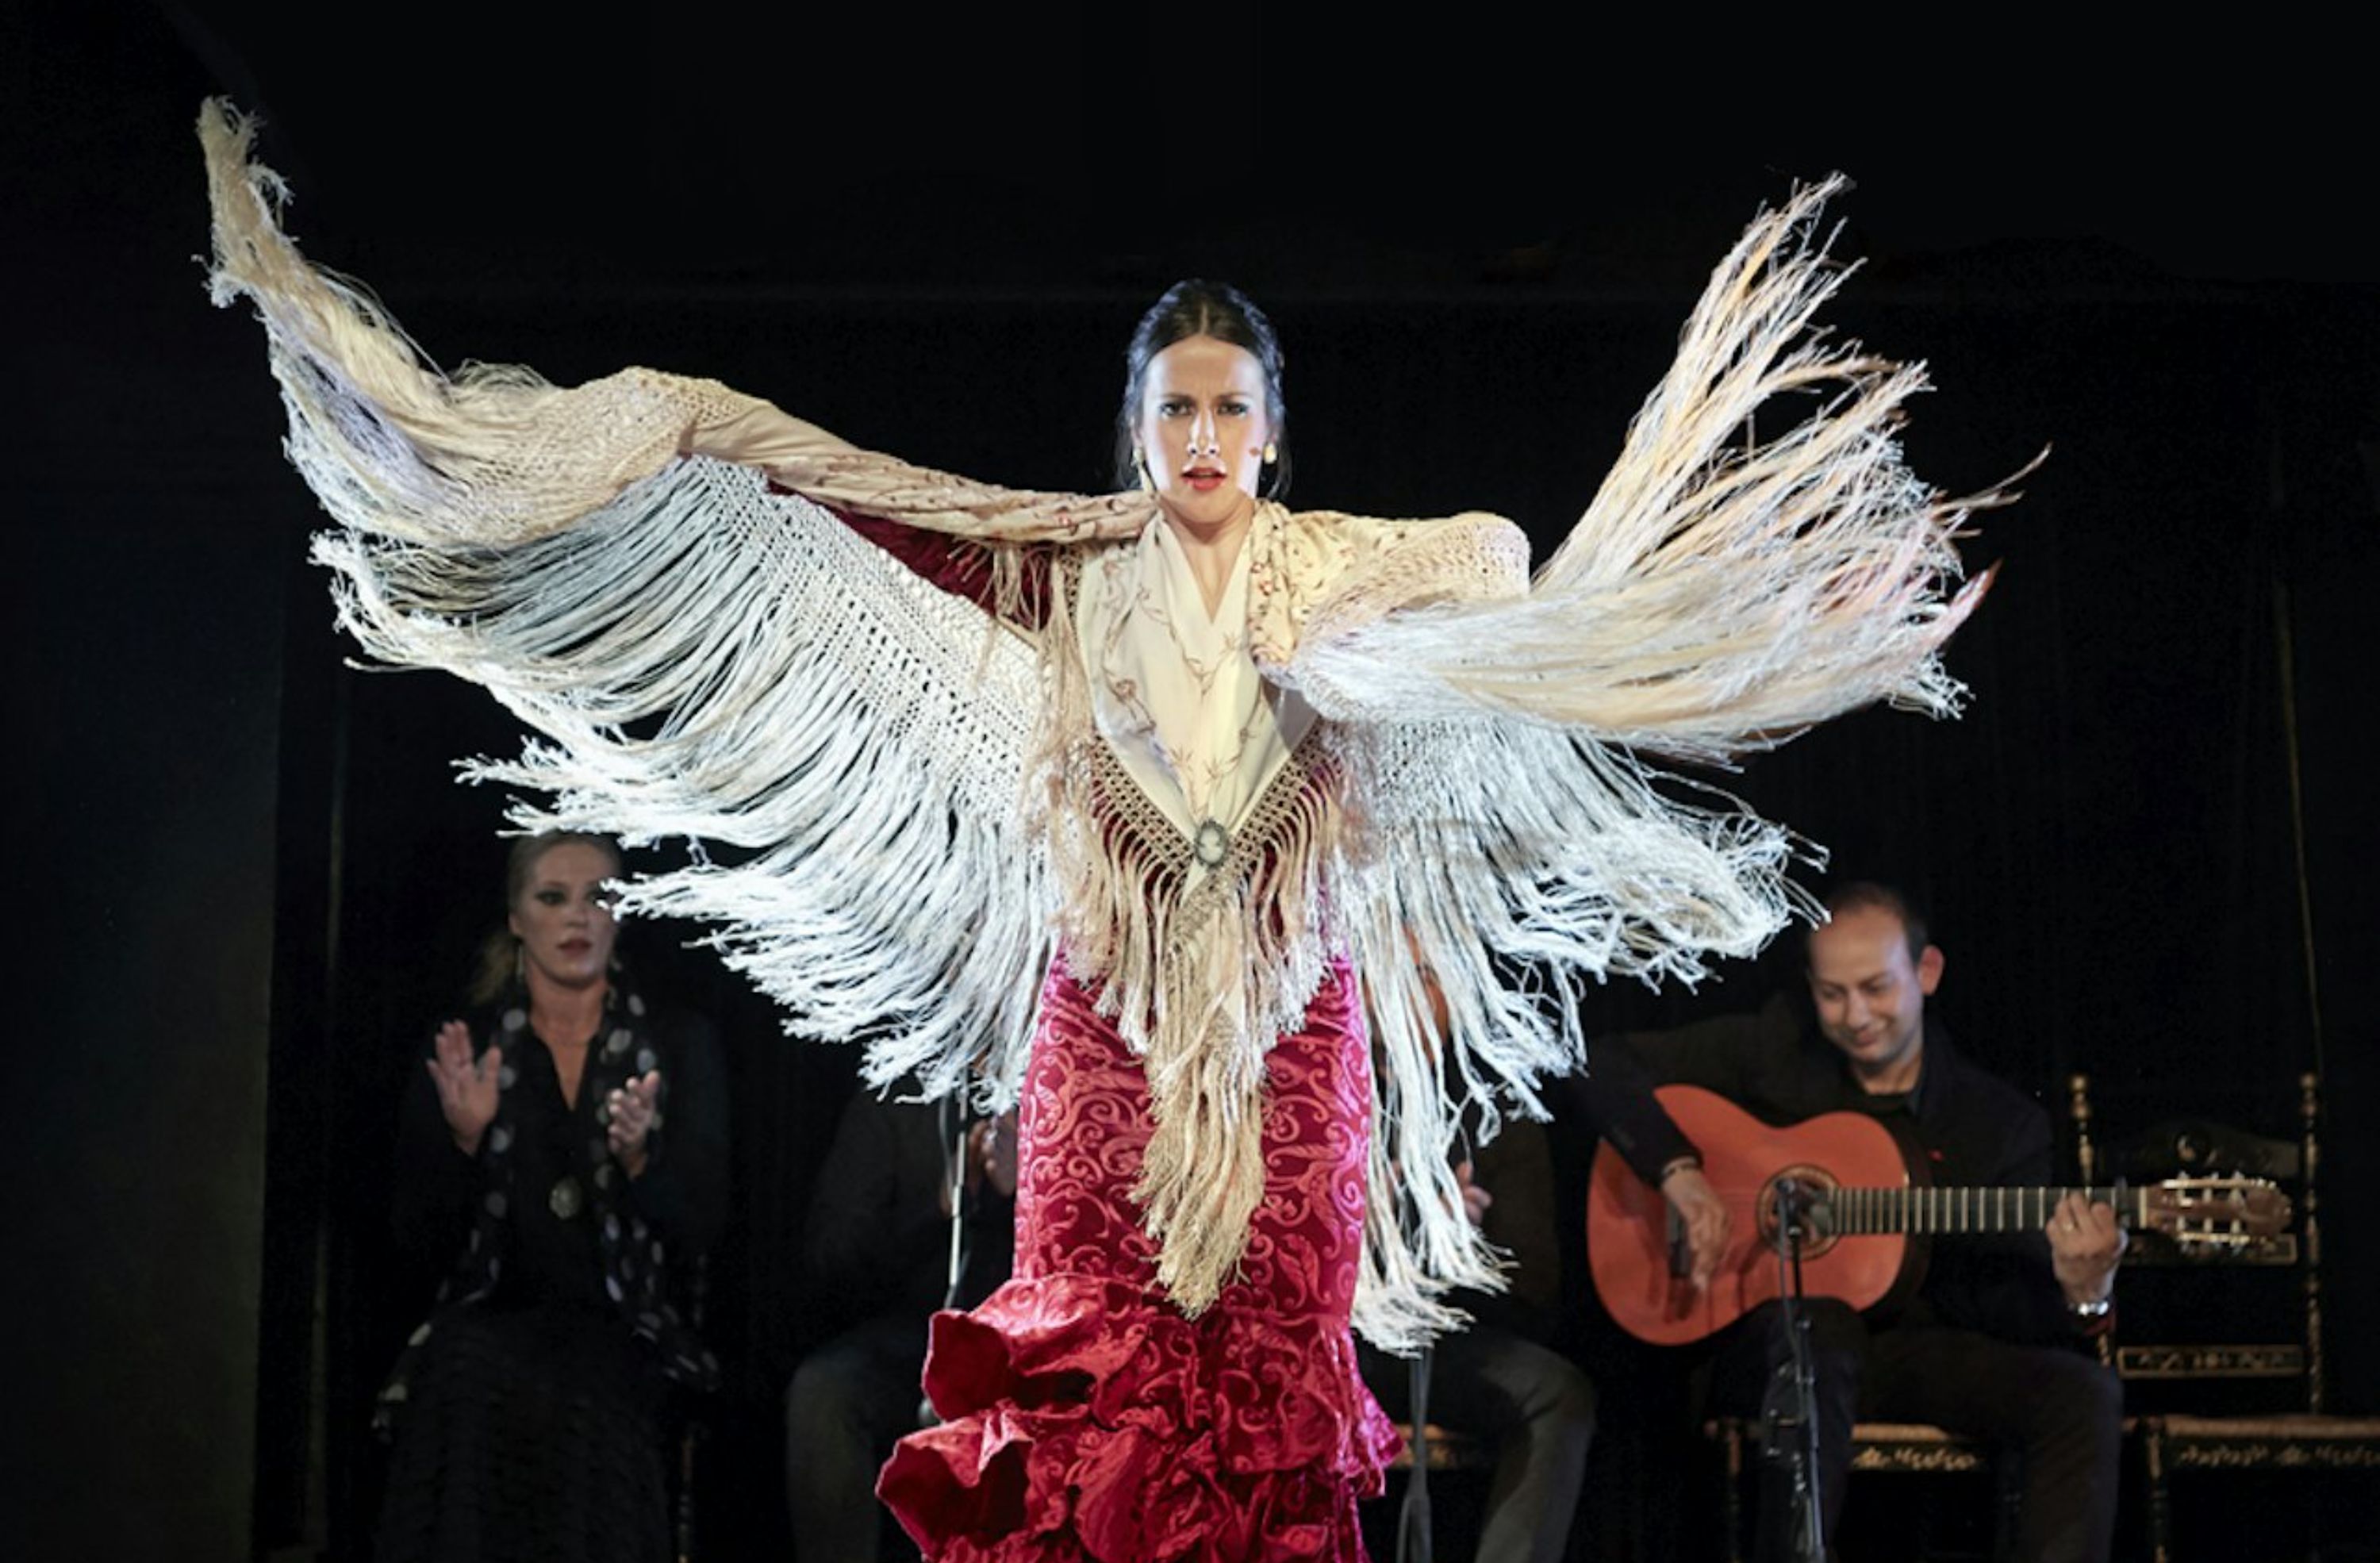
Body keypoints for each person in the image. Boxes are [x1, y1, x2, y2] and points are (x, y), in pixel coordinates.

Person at [205, 101, 2002, 1560]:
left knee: (1269, 1414)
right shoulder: (1053, 577)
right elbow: (839, 498)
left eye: (1230, 404)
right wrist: (675, 434)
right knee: (1094, 1409)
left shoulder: (1340, 573)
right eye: (1174, 407)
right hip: (1102, 1046)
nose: (1203, 430)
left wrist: (1325, 618)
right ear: (1134, 432)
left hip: (1293, 1048)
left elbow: (1490, 557)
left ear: (1272, 428)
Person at [1573, 882, 2125, 1563]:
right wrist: (1677, 1171)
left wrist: (2084, 1292)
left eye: (1876, 988)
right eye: (1833, 994)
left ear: (1926, 974)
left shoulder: (2001, 1124)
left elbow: (2018, 1313)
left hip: (1917, 1350)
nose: (1855, 1015)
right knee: (1817, 1324)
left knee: (2085, 1396)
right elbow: (1600, 1062)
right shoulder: (1775, 1051)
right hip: (1767, 1343)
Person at [378, 831, 729, 1563]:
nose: (578, 917)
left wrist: (641, 1161)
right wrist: (466, 1143)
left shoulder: (676, 1044)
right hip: (493, 1317)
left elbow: (703, 1229)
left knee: (592, 1385)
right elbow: (413, 1242)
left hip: (623, 1325)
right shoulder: (470, 1048)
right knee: (469, 1369)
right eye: (553, 897)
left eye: (599, 896)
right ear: (516, 917)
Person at [785, 1085, 1016, 1561]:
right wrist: (939, 1207)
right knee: (823, 1393)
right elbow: (833, 1258)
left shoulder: (1061, 1074)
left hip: (1030, 1344)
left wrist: (1029, 1189)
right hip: (913, 1340)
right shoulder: (900, 1093)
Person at [1356, 1122, 1596, 1563]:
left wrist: (1456, 1248)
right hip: (1338, 1341)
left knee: (1558, 1394)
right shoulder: (1324, 1077)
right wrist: (1356, 1231)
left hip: (1445, 1338)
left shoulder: (1494, 1098)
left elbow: (1535, 1286)